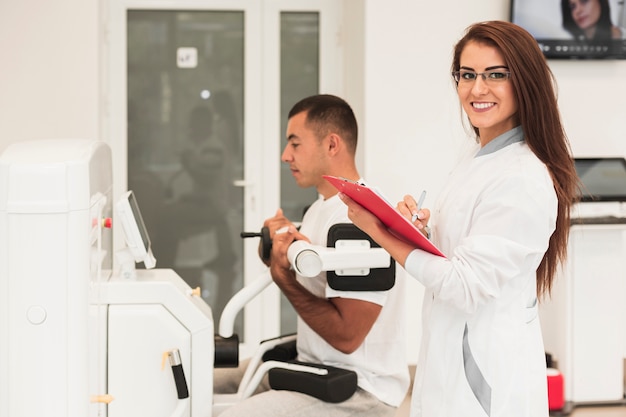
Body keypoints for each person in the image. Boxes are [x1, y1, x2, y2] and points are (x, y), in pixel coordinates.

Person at [339, 21, 580, 417]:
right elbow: (464, 250)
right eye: (467, 75)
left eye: (495, 75)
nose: (477, 89)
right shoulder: (479, 156)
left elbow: (465, 285)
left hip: (484, 380)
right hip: (451, 357)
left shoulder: (521, 177)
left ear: (525, 81)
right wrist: (420, 230)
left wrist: (379, 232)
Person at [214, 94, 410, 417]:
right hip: (316, 367)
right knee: (204, 383)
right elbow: (315, 277)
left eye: (295, 143)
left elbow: (348, 336)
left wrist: (284, 278)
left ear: (332, 145)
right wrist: (279, 249)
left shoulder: (358, 218)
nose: (285, 155)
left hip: (359, 391)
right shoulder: (322, 208)